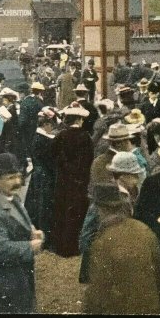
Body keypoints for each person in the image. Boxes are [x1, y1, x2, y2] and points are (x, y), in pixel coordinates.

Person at [83, 182, 160, 314]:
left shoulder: (102, 243)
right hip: (151, 311)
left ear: (99, 208)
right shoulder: (144, 229)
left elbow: (97, 294)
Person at [0, 153, 44, 313]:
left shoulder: (11, 197)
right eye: (10, 178)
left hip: (18, 275)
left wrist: (32, 230)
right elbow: (1, 250)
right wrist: (30, 246)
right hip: (3, 282)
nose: (18, 182)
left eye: (19, 176)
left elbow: (18, 222)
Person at [80, 152, 147, 284]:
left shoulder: (132, 193)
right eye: (134, 175)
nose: (137, 178)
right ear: (122, 176)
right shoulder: (104, 197)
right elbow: (86, 236)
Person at [50, 102, 94, 257]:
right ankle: (74, 246)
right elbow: (89, 160)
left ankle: (61, 246)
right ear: (80, 120)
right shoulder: (86, 137)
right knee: (77, 212)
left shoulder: (61, 135)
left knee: (62, 210)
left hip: (63, 180)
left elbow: (52, 155)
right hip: (80, 181)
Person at [25, 107, 58, 245]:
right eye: (51, 126)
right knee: (43, 205)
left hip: (37, 174)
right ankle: (45, 236)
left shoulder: (36, 137)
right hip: (44, 175)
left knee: (35, 204)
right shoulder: (45, 140)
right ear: (46, 124)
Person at [19, 82, 45, 160]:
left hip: (27, 128)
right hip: (36, 127)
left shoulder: (25, 102)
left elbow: (22, 120)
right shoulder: (38, 101)